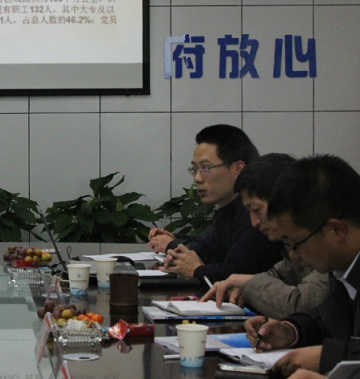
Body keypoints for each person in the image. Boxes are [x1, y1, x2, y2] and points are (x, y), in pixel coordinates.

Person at [244, 155, 360, 377]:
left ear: (336, 231)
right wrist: (290, 330)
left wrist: (327, 357)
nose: (293, 255)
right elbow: (327, 321)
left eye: (295, 243)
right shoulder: (341, 267)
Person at [147, 124, 281, 282]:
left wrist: (197, 270)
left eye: (205, 168)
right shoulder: (228, 209)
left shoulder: (255, 215)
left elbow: (236, 274)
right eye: (194, 169)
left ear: (238, 169)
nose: (197, 178)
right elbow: (206, 247)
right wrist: (175, 243)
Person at [201, 153, 329, 318]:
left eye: (256, 210)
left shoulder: (325, 240)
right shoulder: (290, 241)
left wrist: (248, 284)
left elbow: (300, 305)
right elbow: (278, 273)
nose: (254, 222)